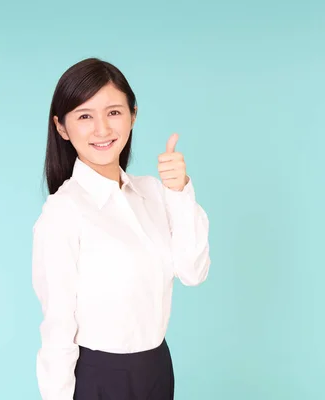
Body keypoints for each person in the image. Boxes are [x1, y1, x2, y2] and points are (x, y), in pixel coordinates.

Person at [31, 57, 211, 400]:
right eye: (85, 116)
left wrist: (180, 191)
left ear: (133, 115)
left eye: (113, 112)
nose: (102, 129)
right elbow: (58, 327)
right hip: (99, 378)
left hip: (157, 368)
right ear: (62, 127)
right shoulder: (63, 213)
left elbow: (193, 270)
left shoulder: (154, 193)